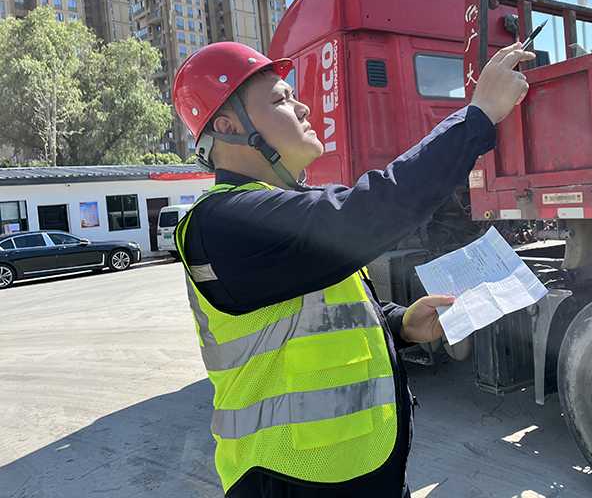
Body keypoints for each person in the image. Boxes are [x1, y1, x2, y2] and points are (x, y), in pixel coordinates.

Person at [172, 40, 535, 498]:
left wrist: (400, 324)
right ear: (228, 128)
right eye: (281, 99)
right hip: (288, 479)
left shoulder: (281, 210)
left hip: (361, 471)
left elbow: (319, 313)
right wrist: (477, 116)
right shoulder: (222, 222)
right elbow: (372, 210)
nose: (303, 107)